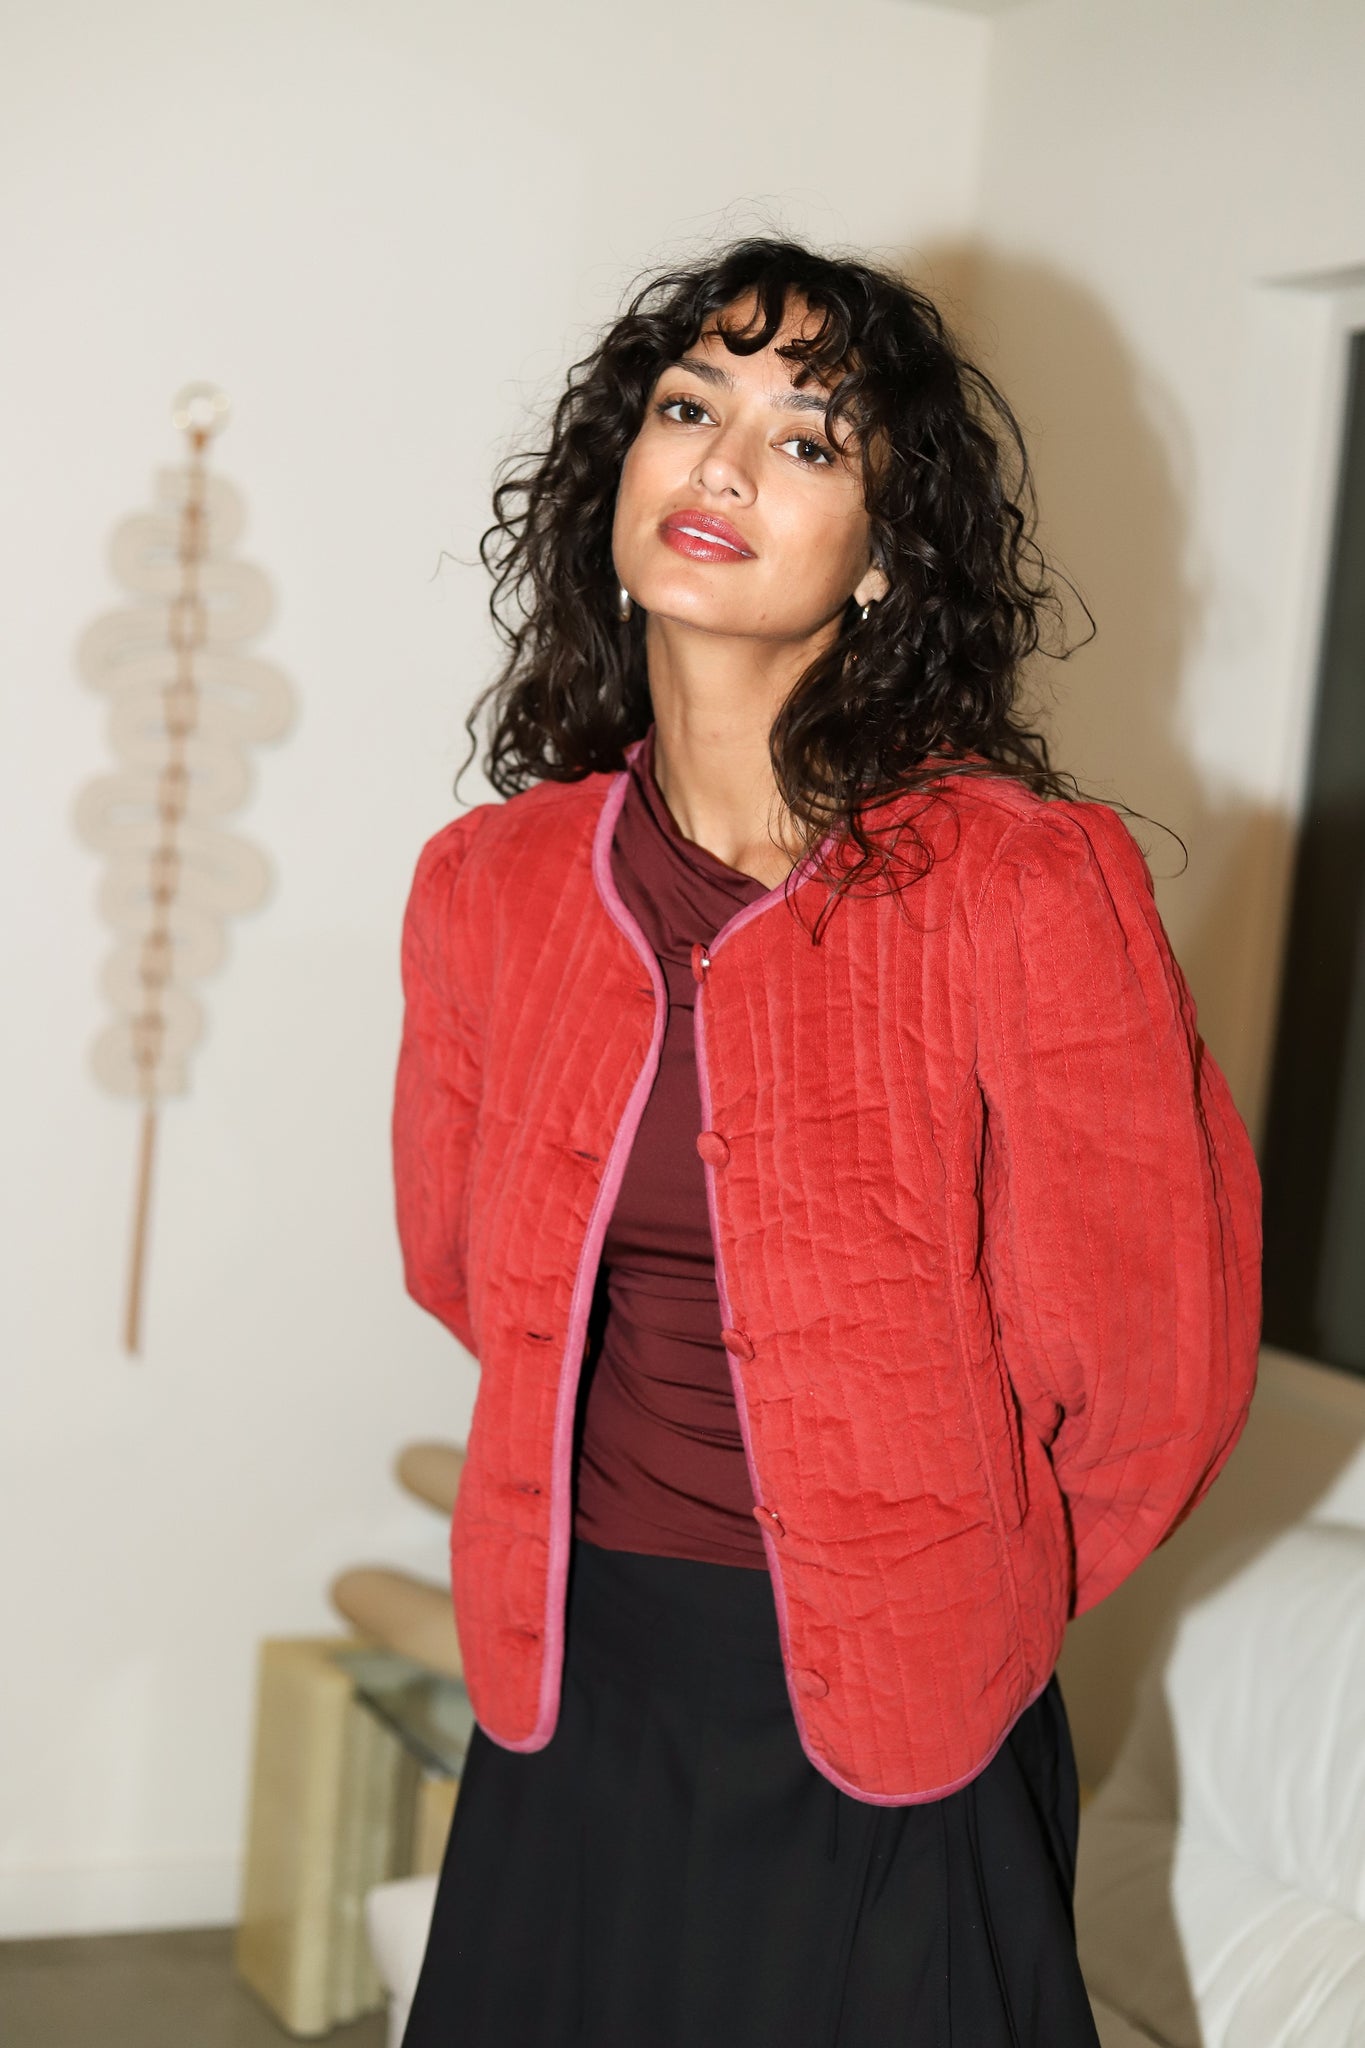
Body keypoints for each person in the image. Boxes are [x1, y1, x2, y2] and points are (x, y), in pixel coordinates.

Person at [391, 236, 1262, 2047]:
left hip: (898, 1720)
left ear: (883, 557)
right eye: (686, 409)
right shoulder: (490, 885)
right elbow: (462, 1264)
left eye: (805, 441)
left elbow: (1152, 1373)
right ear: (614, 478)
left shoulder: (1021, 882)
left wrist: (946, 1589)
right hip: (575, 1680)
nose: (719, 464)